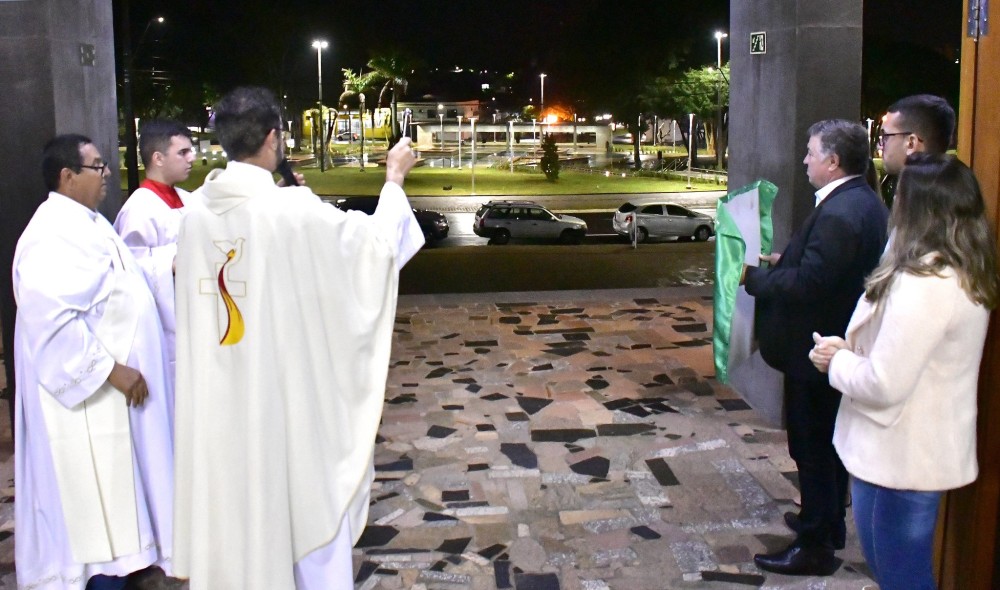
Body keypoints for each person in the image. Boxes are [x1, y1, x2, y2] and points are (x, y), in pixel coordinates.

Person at [172, 86, 423, 590]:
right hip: (284, 398)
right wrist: (394, 179)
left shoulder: (195, 213)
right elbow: (374, 249)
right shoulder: (293, 209)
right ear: (272, 138)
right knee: (305, 497)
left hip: (222, 398)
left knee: (239, 506)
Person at [810, 154, 997, 590]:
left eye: (901, 195)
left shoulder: (927, 282)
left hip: (905, 452)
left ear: (918, 209)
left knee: (902, 575)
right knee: (894, 569)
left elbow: (884, 382)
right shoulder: (958, 266)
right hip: (905, 447)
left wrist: (836, 360)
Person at [12, 135, 175, 590]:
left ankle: (128, 570)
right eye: (97, 167)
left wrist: (170, 265)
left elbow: (128, 278)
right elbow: (51, 321)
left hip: (112, 397)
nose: (106, 175)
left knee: (120, 498)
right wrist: (110, 371)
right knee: (94, 504)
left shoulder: (87, 222)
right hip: (88, 400)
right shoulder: (51, 234)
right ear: (67, 176)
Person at [743, 120, 889, 575]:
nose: (804, 160)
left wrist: (758, 279)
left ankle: (815, 546)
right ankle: (824, 522)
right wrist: (786, 260)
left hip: (817, 354)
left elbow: (812, 283)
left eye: (810, 153)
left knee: (813, 449)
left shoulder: (842, 212)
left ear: (833, 161)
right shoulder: (857, 200)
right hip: (826, 349)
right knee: (825, 448)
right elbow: (822, 268)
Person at [113, 119, 196, 384]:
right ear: (158, 158)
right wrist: (168, 262)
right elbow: (126, 269)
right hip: (164, 328)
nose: (191, 158)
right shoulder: (139, 209)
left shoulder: (187, 198)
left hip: (193, 315)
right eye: (182, 152)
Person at [878, 94, 955, 177]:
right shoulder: (959, 183)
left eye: (885, 136)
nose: (880, 147)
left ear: (911, 143)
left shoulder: (910, 188)